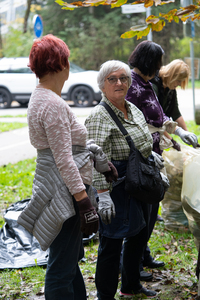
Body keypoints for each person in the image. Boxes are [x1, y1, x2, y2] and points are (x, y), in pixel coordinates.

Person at [17, 34, 118, 300]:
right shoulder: (52, 104)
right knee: (61, 267)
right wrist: (83, 202)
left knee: (69, 258)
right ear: (60, 64)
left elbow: (71, 146)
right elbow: (63, 159)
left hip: (59, 186)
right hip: (65, 192)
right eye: (67, 60)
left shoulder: (42, 97)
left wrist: (100, 160)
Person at [85, 60, 168, 299]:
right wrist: (102, 196)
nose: (119, 83)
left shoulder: (132, 108)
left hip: (138, 181)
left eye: (123, 78)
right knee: (111, 243)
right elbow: (94, 159)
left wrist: (152, 157)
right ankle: (105, 294)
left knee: (139, 234)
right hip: (114, 186)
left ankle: (130, 285)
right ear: (102, 85)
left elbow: (141, 141)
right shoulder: (99, 116)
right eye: (112, 79)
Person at [125, 41, 198, 282]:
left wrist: (182, 134)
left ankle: (140, 259)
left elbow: (166, 115)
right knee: (141, 216)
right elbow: (144, 122)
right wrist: (169, 137)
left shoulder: (146, 84)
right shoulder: (135, 86)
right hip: (140, 157)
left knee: (150, 210)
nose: (159, 67)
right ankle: (131, 271)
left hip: (152, 154)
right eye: (157, 62)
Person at [150, 59, 198, 151]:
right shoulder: (153, 85)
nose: (180, 84)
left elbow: (175, 113)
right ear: (172, 76)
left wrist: (188, 134)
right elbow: (155, 119)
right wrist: (172, 141)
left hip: (158, 130)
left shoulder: (170, 88)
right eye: (179, 81)